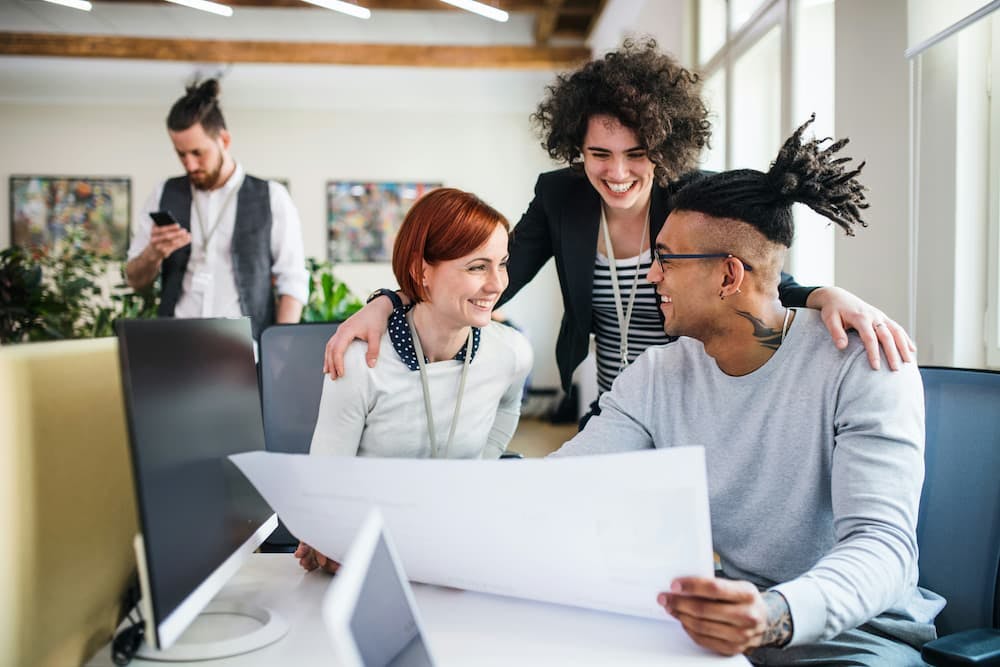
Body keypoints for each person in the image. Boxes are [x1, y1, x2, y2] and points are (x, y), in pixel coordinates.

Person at [322, 38, 914, 425]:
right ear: (574, 149)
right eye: (598, 153)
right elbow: (486, 276)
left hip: (696, 401)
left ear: (663, 146)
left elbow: (756, 276)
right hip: (614, 405)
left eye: (637, 152)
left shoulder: (692, 199)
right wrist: (388, 301)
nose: (618, 172)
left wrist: (824, 294)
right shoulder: (560, 197)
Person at [550, 116, 944, 664]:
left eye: (665, 260)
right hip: (724, 625)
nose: (651, 277)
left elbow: (883, 551)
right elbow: (563, 486)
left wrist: (772, 616)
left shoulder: (865, 365)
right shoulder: (659, 375)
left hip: (854, 635)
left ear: (729, 276)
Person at [296, 188, 533, 574]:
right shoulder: (361, 362)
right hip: (373, 552)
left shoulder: (510, 353)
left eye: (501, 263)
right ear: (423, 270)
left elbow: (509, 405)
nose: (497, 284)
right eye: (477, 267)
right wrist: (327, 535)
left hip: (456, 550)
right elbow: (326, 484)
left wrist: (480, 467)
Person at [126, 79, 308, 340]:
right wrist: (153, 254)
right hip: (174, 347)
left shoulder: (272, 197)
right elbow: (134, 278)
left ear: (224, 139)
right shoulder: (163, 193)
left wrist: (280, 352)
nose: (189, 164)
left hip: (246, 350)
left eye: (198, 153)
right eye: (181, 154)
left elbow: (293, 282)